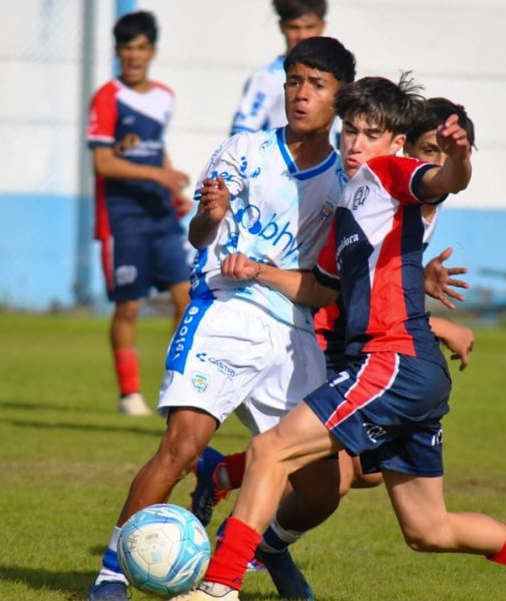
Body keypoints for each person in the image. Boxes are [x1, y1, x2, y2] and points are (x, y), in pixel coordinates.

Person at [172, 75, 506, 601]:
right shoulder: (348, 205)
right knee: (428, 529)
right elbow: (320, 288)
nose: (355, 144)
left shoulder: (389, 174)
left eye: (370, 133)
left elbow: (444, 181)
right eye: (349, 131)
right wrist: (258, 271)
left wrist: (458, 158)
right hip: (412, 370)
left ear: (395, 142)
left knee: (271, 450)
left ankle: (218, 587)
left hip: (391, 360)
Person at [87, 36, 357, 601]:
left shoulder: (343, 186)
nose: (300, 94)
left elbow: (323, 288)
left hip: (291, 332)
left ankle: (266, 548)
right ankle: (111, 576)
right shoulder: (243, 152)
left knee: (324, 486)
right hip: (223, 312)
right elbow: (198, 236)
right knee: (180, 448)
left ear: (340, 99)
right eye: (294, 81)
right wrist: (209, 218)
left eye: (316, 85)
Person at [192, 97, 480, 521]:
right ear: (405, 149)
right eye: (427, 149)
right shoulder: (381, 187)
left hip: (361, 343)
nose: (431, 159)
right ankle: (248, 556)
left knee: (364, 473)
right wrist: (435, 322)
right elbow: (346, 285)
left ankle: (222, 475)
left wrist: (419, 280)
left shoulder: (413, 204)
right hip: (331, 339)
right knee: (323, 470)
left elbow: (378, 280)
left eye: (444, 150)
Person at [87, 10, 194, 417]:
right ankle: (129, 394)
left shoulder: (164, 96)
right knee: (128, 306)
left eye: (141, 48)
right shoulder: (107, 98)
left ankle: (175, 387)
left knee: (186, 298)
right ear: (117, 53)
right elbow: (104, 164)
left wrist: (171, 190)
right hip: (121, 217)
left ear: (152, 51)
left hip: (160, 214)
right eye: (126, 49)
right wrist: (159, 175)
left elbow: (154, 147)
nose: (134, 56)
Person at [231, 0, 327, 135]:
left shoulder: (334, 77)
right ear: (282, 27)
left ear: (322, 26)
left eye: (309, 27)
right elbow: (240, 135)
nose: (302, 36)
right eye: (294, 27)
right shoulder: (267, 77)